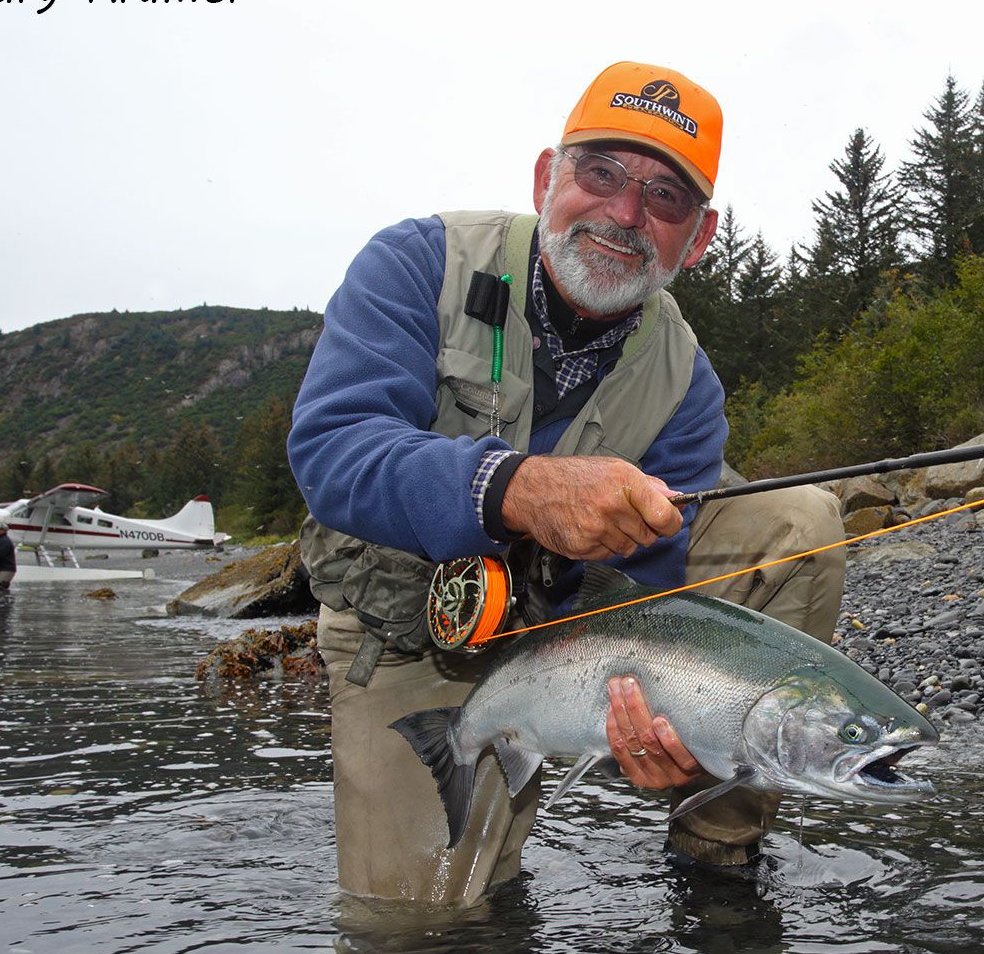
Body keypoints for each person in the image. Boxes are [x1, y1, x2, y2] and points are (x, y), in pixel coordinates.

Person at [288, 61, 845, 907]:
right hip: (405, 628)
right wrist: (516, 487)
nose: (626, 213)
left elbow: (648, 590)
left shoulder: (685, 382)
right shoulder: (417, 262)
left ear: (697, 238)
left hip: (569, 629)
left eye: (665, 198)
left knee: (799, 522)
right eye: (603, 173)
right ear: (550, 178)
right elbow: (332, 448)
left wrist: (667, 721)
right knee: (417, 933)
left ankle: (717, 824)